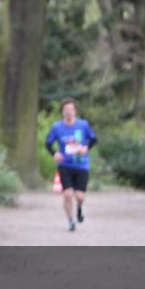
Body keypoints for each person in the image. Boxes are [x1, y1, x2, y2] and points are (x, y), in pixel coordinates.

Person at [45, 98, 98, 232]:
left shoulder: (83, 125)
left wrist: (86, 148)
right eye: (66, 110)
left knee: (79, 196)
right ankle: (71, 220)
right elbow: (48, 143)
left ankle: (80, 208)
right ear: (62, 112)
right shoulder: (57, 127)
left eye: (71, 109)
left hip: (81, 165)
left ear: (75, 111)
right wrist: (55, 153)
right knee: (68, 195)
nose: (69, 112)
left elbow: (93, 139)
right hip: (65, 165)